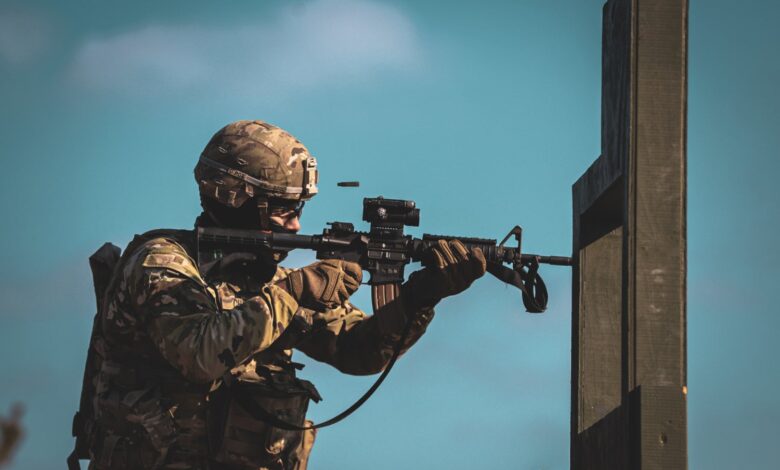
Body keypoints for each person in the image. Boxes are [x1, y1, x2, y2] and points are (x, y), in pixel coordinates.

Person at [85, 120, 486, 469]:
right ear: (234, 199)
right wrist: (294, 292)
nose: (295, 227)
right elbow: (199, 352)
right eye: (282, 210)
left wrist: (419, 299)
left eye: (299, 211)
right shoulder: (162, 263)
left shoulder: (268, 282)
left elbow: (358, 350)